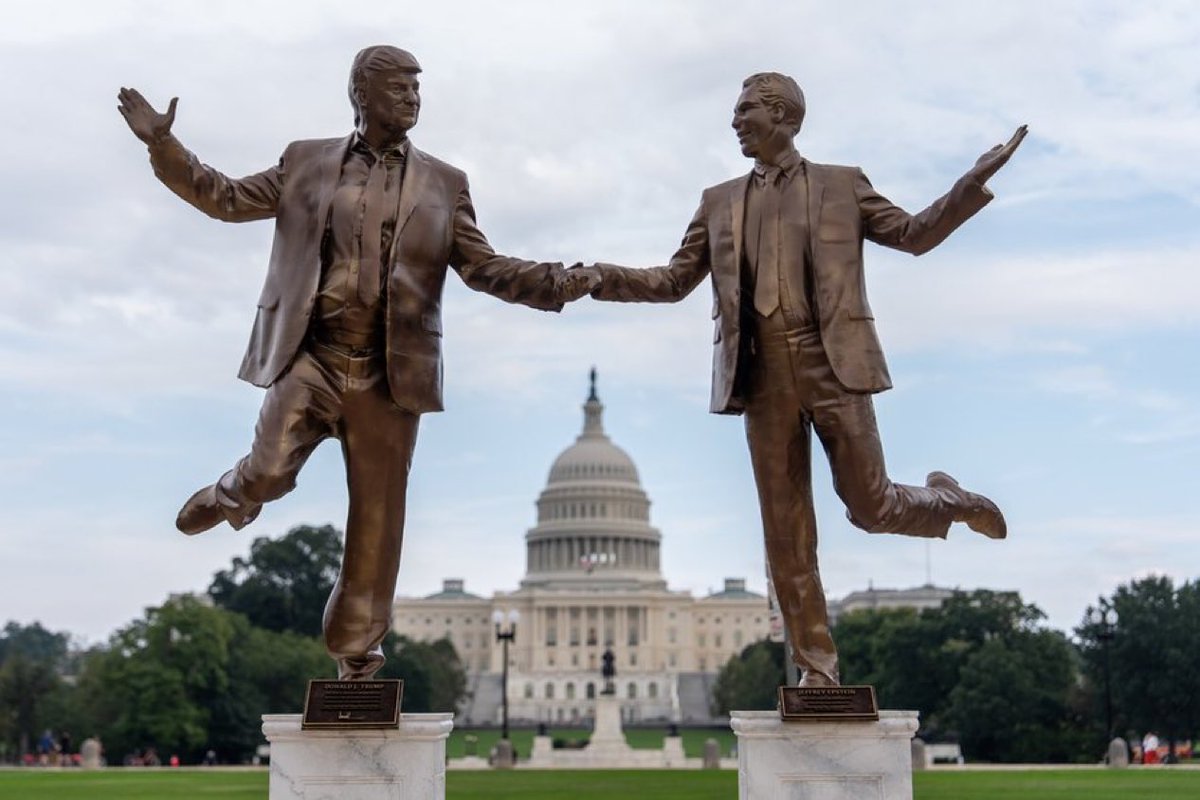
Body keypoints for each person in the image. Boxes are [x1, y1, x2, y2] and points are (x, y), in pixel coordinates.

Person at [118, 46, 593, 680]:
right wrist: (164, 148)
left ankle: (356, 653)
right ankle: (235, 492)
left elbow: (482, 267)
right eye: (400, 89)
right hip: (312, 356)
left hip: (388, 374)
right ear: (362, 94)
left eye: (418, 90)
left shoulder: (446, 184)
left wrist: (553, 281)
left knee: (377, 520)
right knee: (270, 472)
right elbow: (225, 197)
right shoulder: (306, 162)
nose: (413, 101)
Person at [577, 72, 1024, 686]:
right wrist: (601, 276)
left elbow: (914, 236)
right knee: (785, 536)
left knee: (870, 507)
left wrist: (969, 186)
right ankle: (819, 669)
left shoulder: (843, 185)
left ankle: (952, 500)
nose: (735, 123)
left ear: (783, 116)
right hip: (761, 376)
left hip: (832, 363)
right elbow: (672, 281)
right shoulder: (719, 201)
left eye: (746, 112)